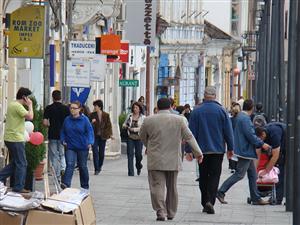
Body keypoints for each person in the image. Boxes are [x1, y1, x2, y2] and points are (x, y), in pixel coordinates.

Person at [139, 98, 203, 221]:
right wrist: (198, 153)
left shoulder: (148, 120)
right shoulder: (179, 120)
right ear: (170, 107)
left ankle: (160, 211)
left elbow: (142, 136)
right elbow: (189, 137)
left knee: (157, 186)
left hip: (155, 159)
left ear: (157, 108)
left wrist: (149, 146)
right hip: (173, 159)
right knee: (172, 186)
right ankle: (171, 212)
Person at [188, 86, 234, 214]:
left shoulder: (196, 111)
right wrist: (231, 148)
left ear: (204, 95)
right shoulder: (222, 111)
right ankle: (210, 201)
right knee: (214, 176)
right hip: (217, 150)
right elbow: (228, 132)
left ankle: (205, 201)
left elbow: (190, 132)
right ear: (215, 95)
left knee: (203, 176)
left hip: (201, 150)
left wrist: (189, 150)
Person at [216, 99, 270, 205]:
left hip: (244, 149)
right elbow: (250, 135)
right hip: (245, 150)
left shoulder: (240, 116)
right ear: (252, 108)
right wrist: (262, 144)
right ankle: (221, 191)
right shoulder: (245, 119)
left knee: (252, 174)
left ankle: (255, 197)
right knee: (239, 174)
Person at [0, 87, 33, 192]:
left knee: (15, 163)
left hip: (10, 138)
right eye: (28, 98)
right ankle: (18, 188)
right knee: (22, 163)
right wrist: (30, 106)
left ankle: (1, 177)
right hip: (16, 139)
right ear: (24, 97)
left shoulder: (12, 104)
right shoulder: (18, 106)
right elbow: (30, 117)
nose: (29, 100)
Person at [60, 101, 94, 190]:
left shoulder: (85, 120)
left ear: (79, 109)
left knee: (82, 166)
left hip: (82, 146)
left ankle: (85, 186)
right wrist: (63, 140)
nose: (72, 110)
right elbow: (63, 131)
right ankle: (66, 185)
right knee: (70, 164)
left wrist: (90, 142)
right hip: (70, 146)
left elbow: (90, 131)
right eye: (71, 108)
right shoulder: (67, 119)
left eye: (74, 108)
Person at [255, 122, 286, 205]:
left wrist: (266, 170)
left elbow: (276, 155)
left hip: (289, 144)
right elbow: (257, 155)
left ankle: (279, 199)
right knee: (274, 168)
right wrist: (255, 172)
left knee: (280, 170)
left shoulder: (274, 133)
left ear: (263, 134)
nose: (261, 142)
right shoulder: (260, 137)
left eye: (261, 139)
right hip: (278, 149)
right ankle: (271, 194)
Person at [43, 90, 70, 182]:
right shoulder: (66, 109)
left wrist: (50, 125)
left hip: (52, 134)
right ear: (60, 97)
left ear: (52, 97)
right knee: (62, 154)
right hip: (63, 135)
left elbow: (45, 122)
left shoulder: (48, 108)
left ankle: (57, 176)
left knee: (54, 155)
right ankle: (63, 168)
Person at [89, 100, 113, 175]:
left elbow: (109, 125)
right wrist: (91, 122)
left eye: (95, 106)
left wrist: (110, 134)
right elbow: (88, 126)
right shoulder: (92, 115)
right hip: (94, 136)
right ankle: (96, 169)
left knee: (101, 153)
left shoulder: (106, 115)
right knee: (95, 152)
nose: (94, 107)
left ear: (99, 107)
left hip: (103, 136)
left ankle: (100, 166)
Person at [122, 102, 145, 176]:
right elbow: (124, 123)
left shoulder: (143, 117)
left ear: (140, 109)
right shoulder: (130, 116)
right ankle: (130, 172)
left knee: (138, 155)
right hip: (130, 137)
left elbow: (143, 128)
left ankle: (138, 166)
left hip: (139, 138)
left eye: (136, 108)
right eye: (134, 108)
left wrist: (134, 129)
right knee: (130, 154)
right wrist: (125, 126)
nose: (135, 109)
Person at [228, 102, 241, 172]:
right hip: (238, 137)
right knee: (237, 152)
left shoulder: (230, 120)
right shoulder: (240, 120)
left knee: (231, 151)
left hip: (232, 137)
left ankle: (232, 166)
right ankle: (236, 166)